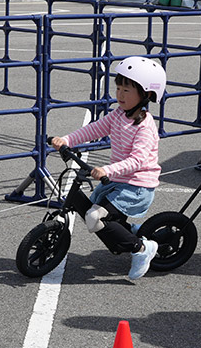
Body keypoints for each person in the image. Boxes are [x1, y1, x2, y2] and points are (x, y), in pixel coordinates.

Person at [50, 56, 166, 280]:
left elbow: (138, 161)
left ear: (146, 94)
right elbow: (93, 130)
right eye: (119, 88)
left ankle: (142, 249)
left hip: (136, 187)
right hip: (118, 182)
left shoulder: (145, 126)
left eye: (127, 90)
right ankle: (129, 231)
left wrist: (107, 170)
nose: (120, 94)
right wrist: (66, 140)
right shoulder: (117, 115)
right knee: (91, 211)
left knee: (94, 216)